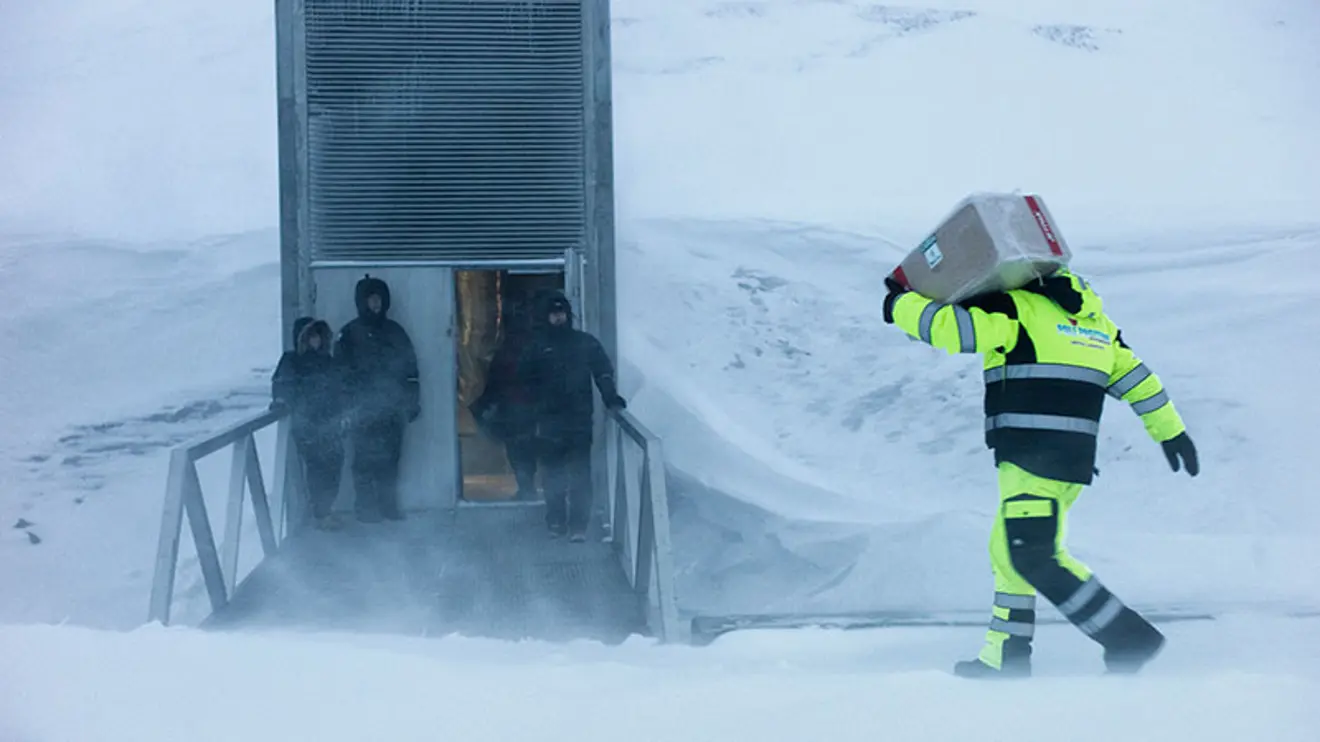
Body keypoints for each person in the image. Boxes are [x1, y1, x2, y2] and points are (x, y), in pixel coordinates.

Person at [882, 267, 1200, 678]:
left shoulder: (1018, 308)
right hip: (1068, 461)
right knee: (1008, 551)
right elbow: (1140, 381)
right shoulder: (1096, 326)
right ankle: (1006, 656)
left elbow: (955, 330)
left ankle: (1126, 636)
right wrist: (1171, 431)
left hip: (1032, 456)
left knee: (1031, 554)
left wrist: (899, 303)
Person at [517, 290, 626, 541]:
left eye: (561, 313)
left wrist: (610, 397)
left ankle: (579, 525)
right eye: (553, 313)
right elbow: (522, 381)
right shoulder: (536, 346)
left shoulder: (584, 343)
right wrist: (526, 412)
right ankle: (556, 521)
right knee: (552, 474)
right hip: (547, 423)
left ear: (568, 315)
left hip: (578, 422)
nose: (558, 318)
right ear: (546, 316)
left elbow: (602, 372)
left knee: (579, 474)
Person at [335, 275, 420, 523]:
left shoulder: (395, 332)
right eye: (371, 300)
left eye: (379, 299)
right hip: (363, 410)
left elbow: (411, 370)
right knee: (363, 460)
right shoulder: (348, 335)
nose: (375, 304)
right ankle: (365, 507)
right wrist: (347, 406)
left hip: (392, 409)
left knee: (391, 459)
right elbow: (340, 375)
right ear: (362, 302)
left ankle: (388, 505)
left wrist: (412, 402)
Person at [270, 317, 347, 530]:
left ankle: (326, 510)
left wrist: (344, 413)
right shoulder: (291, 360)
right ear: (302, 338)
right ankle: (321, 514)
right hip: (307, 426)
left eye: (318, 336)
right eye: (311, 336)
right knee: (317, 468)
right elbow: (282, 384)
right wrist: (281, 401)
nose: (315, 340)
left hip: (331, 423)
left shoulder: (328, 362)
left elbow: (340, 391)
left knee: (334, 467)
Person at [471, 295, 540, 500]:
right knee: (522, 448)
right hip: (521, 405)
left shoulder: (514, 348)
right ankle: (528, 487)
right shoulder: (528, 346)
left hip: (520, 406)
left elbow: (497, 378)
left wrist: (486, 402)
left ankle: (527, 487)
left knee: (520, 449)